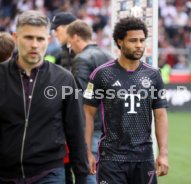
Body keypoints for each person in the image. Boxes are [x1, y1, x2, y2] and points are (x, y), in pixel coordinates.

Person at [0, 10, 89, 183]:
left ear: (48, 41)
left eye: (40, 39)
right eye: (28, 37)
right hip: (5, 172)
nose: (34, 44)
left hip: (48, 172)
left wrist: (81, 176)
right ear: (16, 37)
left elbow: (76, 131)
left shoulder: (64, 79)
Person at [83, 16, 169, 184]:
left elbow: (160, 116)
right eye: (133, 40)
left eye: (142, 40)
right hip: (111, 159)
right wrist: (87, 151)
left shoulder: (154, 75)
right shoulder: (102, 74)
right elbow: (87, 114)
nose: (139, 45)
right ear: (120, 42)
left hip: (144, 158)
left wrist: (164, 153)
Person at [66, 20, 113, 184]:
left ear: (76, 37)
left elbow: (82, 99)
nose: (69, 47)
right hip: (110, 125)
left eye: (70, 42)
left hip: (91, 127)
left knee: (90, 170)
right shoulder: (109, 56)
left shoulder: (82, 59)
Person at [51, 12, 77, 183]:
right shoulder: (60, 53)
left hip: (74, 120)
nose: (54, 33)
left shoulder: (75, 53)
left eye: (57, 29)